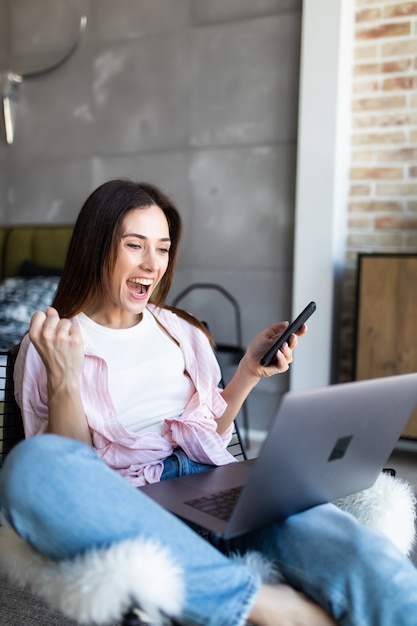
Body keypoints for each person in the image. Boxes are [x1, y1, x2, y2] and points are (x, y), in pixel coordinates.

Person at [1, 179, 417, 626]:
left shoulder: (182, 331)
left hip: (217, 484)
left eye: (162, 248)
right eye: (135, 245)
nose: (152, 264)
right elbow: (72, 475)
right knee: (30, 468)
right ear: (96, 247)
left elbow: (209, 434)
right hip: (130, 503)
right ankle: (266, 607)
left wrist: (247, 375)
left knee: (361, 554)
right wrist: (65, 380)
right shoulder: (50, 340)